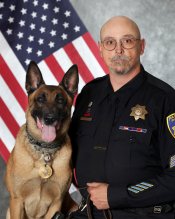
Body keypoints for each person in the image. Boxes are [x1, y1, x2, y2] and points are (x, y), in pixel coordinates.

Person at [68, 16, 175, 219]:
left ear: (141, 46)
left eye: (127, 41)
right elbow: (68, 152)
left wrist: (117, 195)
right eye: (110, 42)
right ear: (100, 48)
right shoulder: (89, 94)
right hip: (89, 213)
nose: (118, 50)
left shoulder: (165, 100)